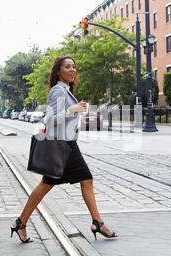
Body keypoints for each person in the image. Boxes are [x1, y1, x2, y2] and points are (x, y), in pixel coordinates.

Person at [11, 56, 118, 243]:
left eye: (74, 67)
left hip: (67, 145)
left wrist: (75, 110)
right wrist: (73, 110)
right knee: (77, 181)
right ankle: (97, 223)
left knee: (67, 182)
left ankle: (21, 222)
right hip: (62, 146)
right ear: (58, 71)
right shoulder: (57, 91)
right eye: (67, 67)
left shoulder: (65, 90)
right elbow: (50, 119)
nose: (72, 70)